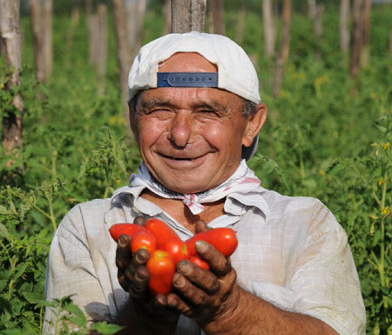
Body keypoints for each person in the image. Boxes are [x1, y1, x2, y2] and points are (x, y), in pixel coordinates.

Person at [43, 32, 366, 334]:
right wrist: (145, 318)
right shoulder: (89, 227)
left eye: (207, 111)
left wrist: (231, 311)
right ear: (132, 119)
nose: (181, 135)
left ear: (251, 124)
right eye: (160, 110)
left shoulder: (304, 223)